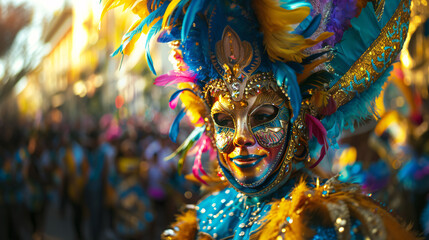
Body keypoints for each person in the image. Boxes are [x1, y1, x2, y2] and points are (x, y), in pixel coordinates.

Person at [102, 0, 418, 239]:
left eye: (264, 116)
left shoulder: (332, 224)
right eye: (224, 119)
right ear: (208, 127)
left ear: (299, 119)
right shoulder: (203, 219)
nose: (241, 137)